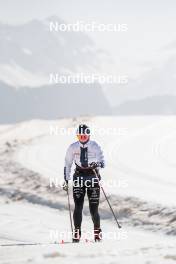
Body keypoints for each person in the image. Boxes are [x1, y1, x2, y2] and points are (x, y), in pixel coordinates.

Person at [63, 124, 105, 242]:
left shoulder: (94, 146)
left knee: (93, 209)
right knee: (78, 207)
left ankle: (97, 233)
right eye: (80, 136)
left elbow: (103, 162)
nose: (82, 138)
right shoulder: (72, 147)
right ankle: (77, 233)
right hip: (79, 178)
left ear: (88, 135)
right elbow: (67, 163)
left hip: (93, 178)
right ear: (77, 136)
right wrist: (66, 178)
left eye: (84, 136)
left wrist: (97, 164)